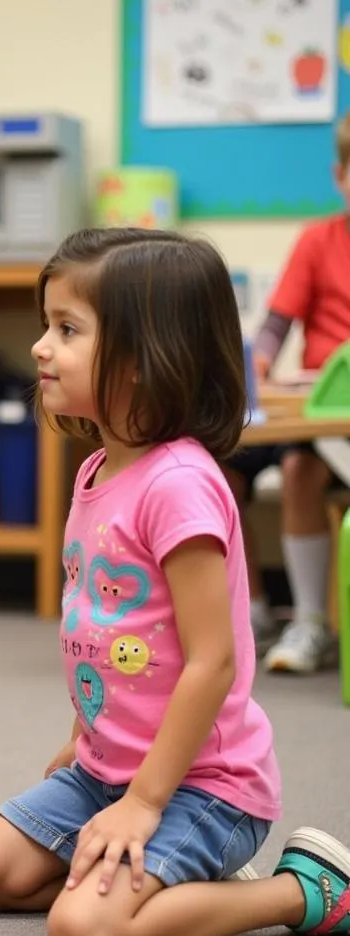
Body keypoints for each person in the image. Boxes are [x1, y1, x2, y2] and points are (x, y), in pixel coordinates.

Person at [0, 228, 350, 936]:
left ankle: (304, 892)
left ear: (140, 362)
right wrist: (84, 738)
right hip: (106, 771)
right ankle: (167, 889)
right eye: (48, 325)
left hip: (204, 784)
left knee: (84, 935)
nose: (41, 346)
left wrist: (142, 802)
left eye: (66, 329)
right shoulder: (100, 468)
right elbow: (99, 628)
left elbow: (212, 662)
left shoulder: (180, 484)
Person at [223, 111, 350, 674]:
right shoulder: (317, 240)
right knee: (217, 465)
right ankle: (248, 612)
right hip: (310, 411)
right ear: (339, 174)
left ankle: (312, 622)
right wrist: (263, 367)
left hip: (334, 435)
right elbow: (274, 328)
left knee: (300, 468)